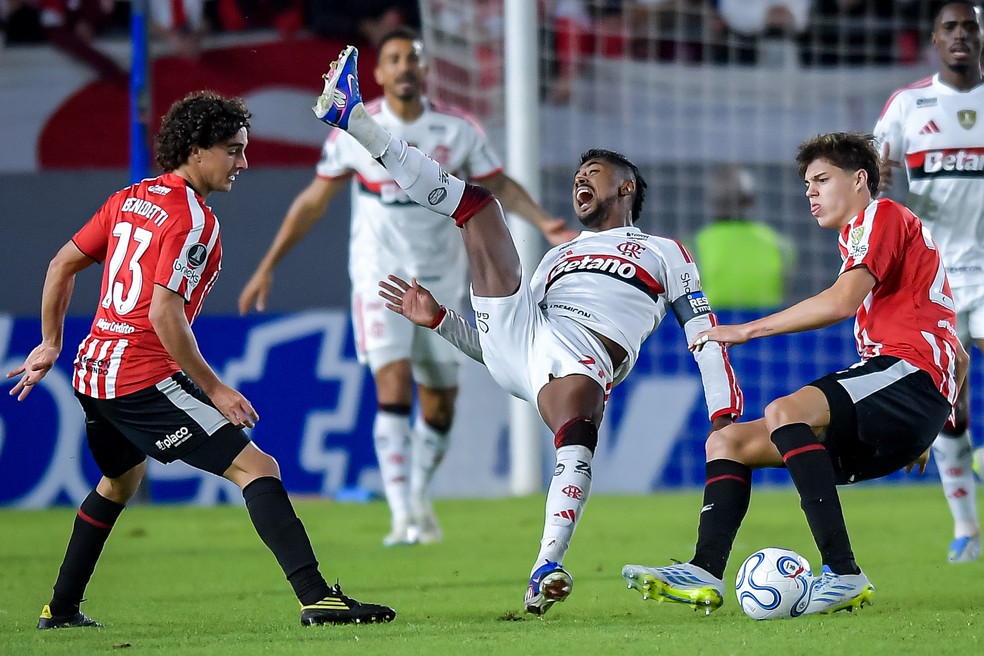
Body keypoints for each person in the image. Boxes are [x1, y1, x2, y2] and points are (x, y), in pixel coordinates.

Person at [309, 44, 744, 615]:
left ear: (627, 187)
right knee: (478, 205)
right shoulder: (556, 256)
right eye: (577, 174)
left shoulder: (665, 251)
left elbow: (704, 334)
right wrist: (442, 320)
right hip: (527, 339)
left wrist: (723, 413)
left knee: (579, 422)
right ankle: (355, 120)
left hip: (579, 361)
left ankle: (545, 565)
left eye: (594, 173)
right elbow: (505, 350)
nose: (580, 179)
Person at [6, 91, 395, 629]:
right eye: (232, 151)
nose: (243, 163)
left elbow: (61, 264)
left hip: (93, 371)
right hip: (139, 377)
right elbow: (166, 315)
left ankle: (62, 608)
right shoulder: (193, 220)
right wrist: (215, 388)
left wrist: (52, 342)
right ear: (196, 150)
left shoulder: (129, 199)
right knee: (259, 468)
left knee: (118, 483)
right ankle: (317, 599)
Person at [239, 28, 576, 547]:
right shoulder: (349, 135)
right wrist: (268, 264)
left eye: (413, 59)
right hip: (378, 275)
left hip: (443, 279)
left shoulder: (457, 130)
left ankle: (418, 495)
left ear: (425, 70)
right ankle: (401, 516)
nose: (405, 67)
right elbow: (311, 202)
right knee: (392, 385)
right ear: (379, 73)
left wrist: (542, 221)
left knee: (440, 405)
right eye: (394, 59)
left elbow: (499, 184)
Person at [621, 132, 969, 617]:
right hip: (905, 397)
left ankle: (844, 573)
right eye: (807, 184)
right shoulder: (863, 238)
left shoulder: (884, 215)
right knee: (727, 443)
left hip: (907, 374)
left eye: (822, 180)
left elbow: (841, 302)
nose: (810, 193)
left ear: (860, 179)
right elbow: (961, 357)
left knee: (786, 410)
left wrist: (747, 330)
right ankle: (704, 570)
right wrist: (933, 424)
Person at [873, 0, 983, 564]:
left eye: (970, 26)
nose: (961, 35)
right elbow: (868, 187)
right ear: (935, 39)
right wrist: (879, 181)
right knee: (949, 412)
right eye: (950, 28)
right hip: (933, 276)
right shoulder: (908, 106)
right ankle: (967, 529)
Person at [692, 164, 795, 309]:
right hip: (768, 326)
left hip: (713, 326)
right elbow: (785, 288)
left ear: (712, 200)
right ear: (751, 200)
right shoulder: (779, 244)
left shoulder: (693, 246)